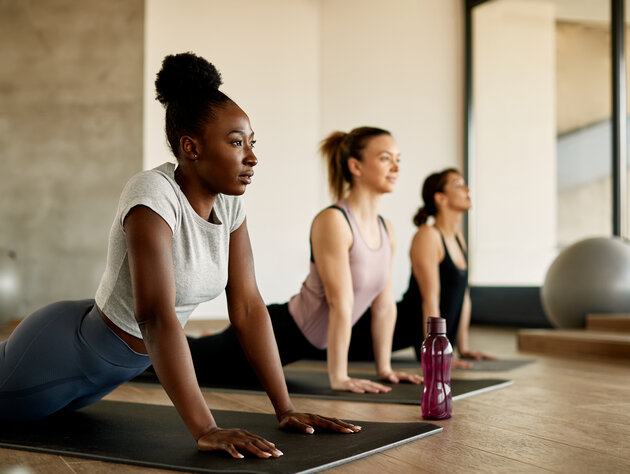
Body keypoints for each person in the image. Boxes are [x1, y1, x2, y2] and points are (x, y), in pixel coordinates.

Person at [0, 52, 360, 459]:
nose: (252, 156)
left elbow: (247, 306)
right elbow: (154, 315)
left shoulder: (229, 207)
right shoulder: (152, 194)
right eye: (236, 142)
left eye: (252, 142)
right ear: (191, 147)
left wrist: (286, 407)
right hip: (56, 357)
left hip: (100, 376)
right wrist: (206, 428)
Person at [188, 127, 422, 393]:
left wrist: (385, 369)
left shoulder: (386, 229)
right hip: (278, 333)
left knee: (194, 355)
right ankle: (145, 342)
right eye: (385, 158)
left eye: (398, 159)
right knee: (184, 360)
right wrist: (340, 377)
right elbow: (340, 303)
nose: (395, 167)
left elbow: (384, 306)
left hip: (303, 345)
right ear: (355, 166)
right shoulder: (335, 221)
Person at [347, 168, 496, 367]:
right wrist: (435, 353)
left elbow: (463, 296)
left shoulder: (459, 239)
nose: (467, 189)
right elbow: (430, 300)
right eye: (458, 184)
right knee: (323, 347)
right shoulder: (428, 236)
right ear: (440, 198)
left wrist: (463, 347)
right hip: (387, 331)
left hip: (423, 335)